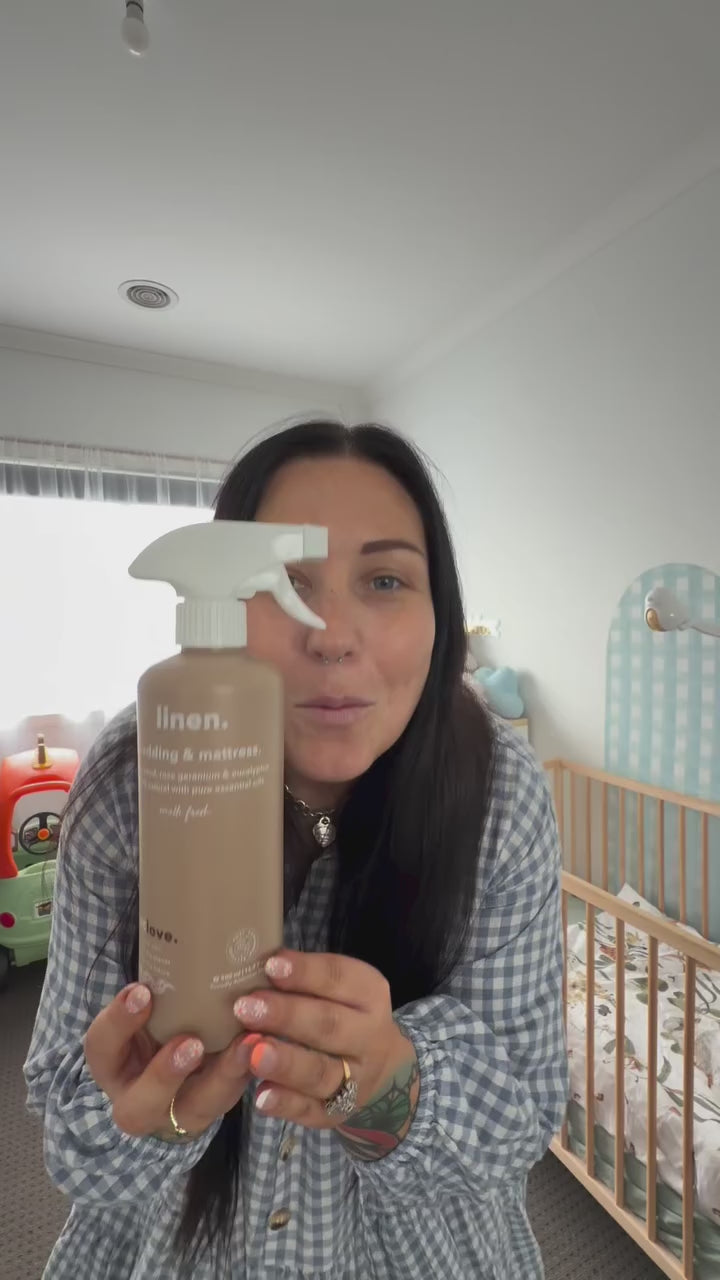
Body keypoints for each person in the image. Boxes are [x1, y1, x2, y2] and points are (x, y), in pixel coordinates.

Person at [24, 419, 568, 1280]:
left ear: (440, 615)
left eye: (384, 580)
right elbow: (73, 1142)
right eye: (282, 584)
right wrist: (155, 1117)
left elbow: (524, 1112)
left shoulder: (498, 788)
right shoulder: (139, 769)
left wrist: (393, 1086)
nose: (332, 635)